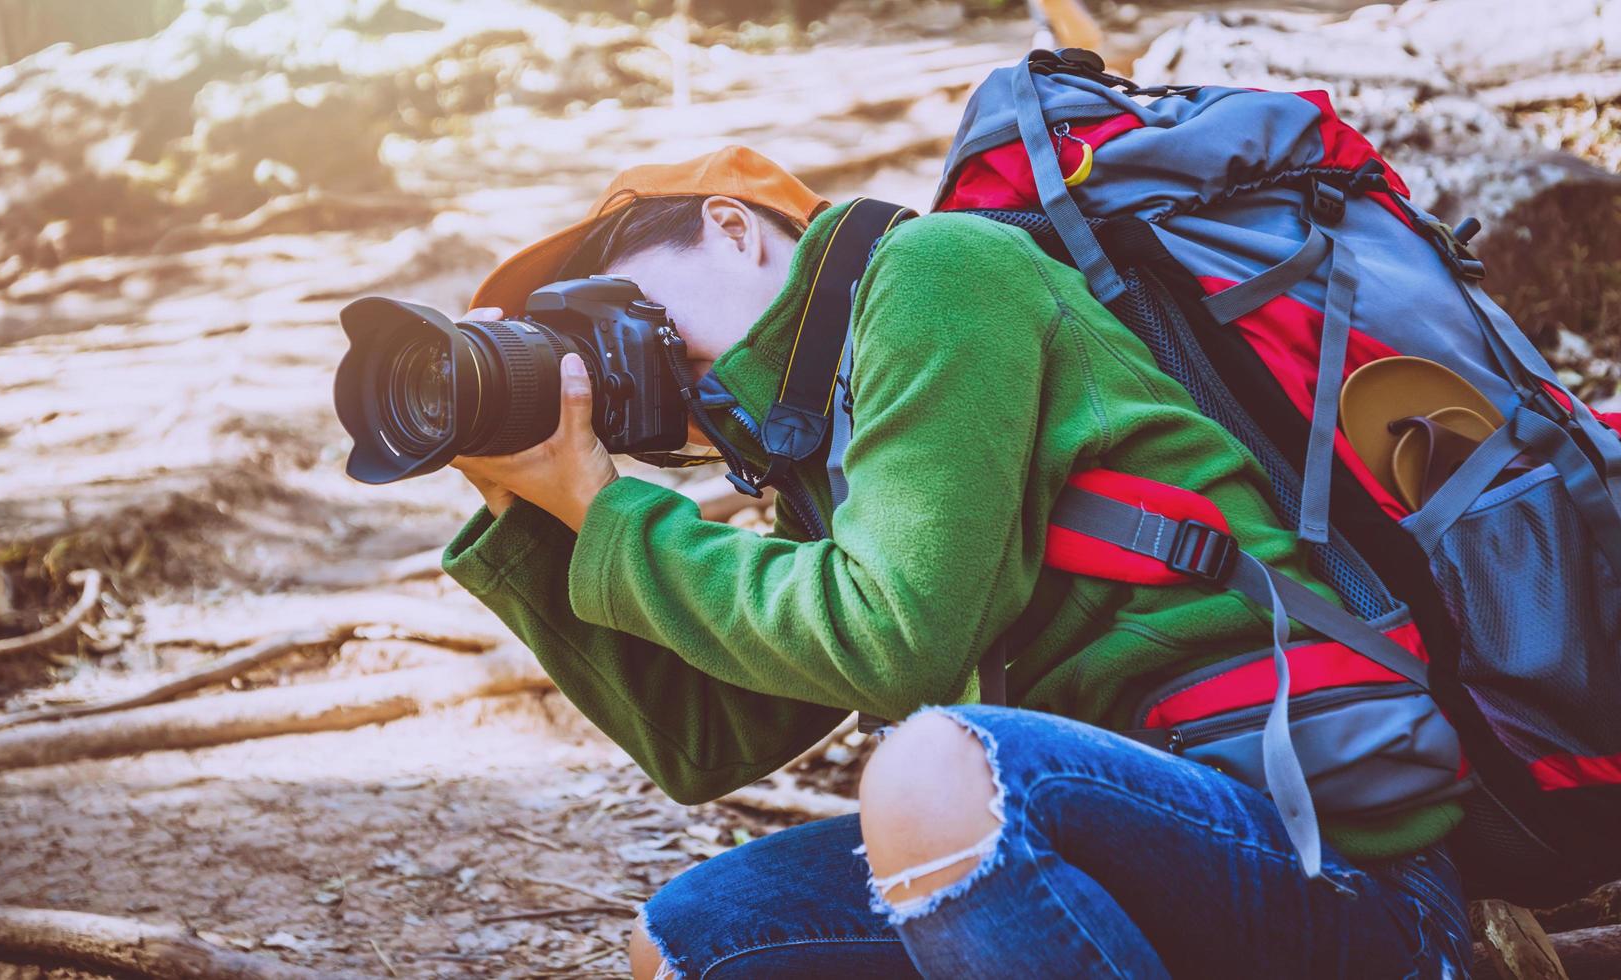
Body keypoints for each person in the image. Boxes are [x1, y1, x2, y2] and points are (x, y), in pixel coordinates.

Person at [440, 146, 1474, 978]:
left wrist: (602, 504)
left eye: (620, 302)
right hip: (1126, 859)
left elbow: (887, 635)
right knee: (698, 938)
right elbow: (710, 736)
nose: (619, 352)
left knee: (933, 773)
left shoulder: (931, 272)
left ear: (731, 224)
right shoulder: (819, 441)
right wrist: (538, 511)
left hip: (1328, 861)